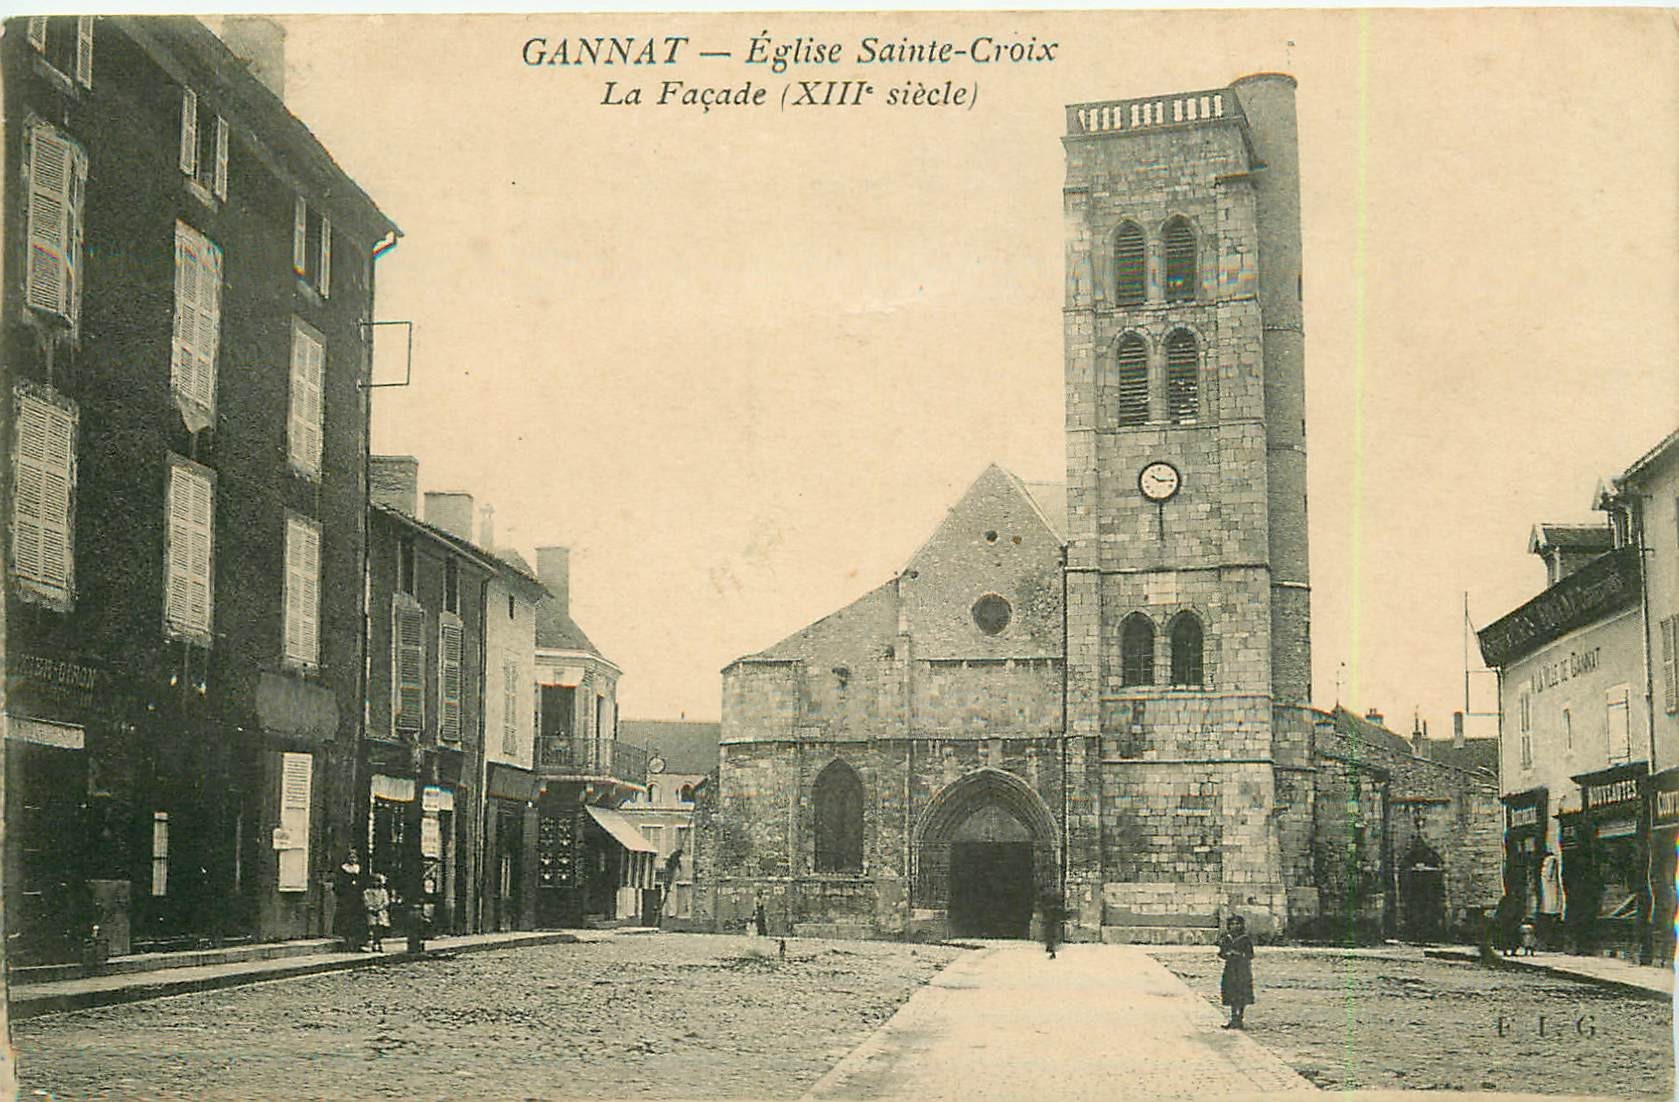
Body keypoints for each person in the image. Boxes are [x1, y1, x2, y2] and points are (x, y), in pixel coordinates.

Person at [1217, 914, 1255, 1029]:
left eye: (1237, 924)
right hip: (1230, 969)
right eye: (1232, 924)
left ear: (1241, 925)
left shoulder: (1245, 939)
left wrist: (1239, 955)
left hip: (1242, 969)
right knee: (1231, 992)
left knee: (1241, 993)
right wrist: (1226, 954)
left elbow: (1250, 954)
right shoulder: (1227, 938)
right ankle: (1233, 1018)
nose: (1235, 926)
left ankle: (1240, 1019)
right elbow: (1221, 953)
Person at [333, 850, 366, 952]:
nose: (353, 859)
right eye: (351, 857)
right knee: (346, 920)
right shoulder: (342, 870)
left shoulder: (359, 869)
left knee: (358, 921)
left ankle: (358, 944)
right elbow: (338, 885)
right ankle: (346, 943)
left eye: (354, 857)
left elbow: (363, 882)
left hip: (357, 899)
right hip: (346, 899)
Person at [363, 873, 392, 952]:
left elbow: (386, 902)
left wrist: (380, 907)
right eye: (375, 882)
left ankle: (379, 943)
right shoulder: (367, 892)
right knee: (372, 928)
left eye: (378, 882)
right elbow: (366, 902)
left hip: (381, 912)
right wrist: (371, 908)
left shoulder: (383, 892)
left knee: (379, 928)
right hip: (371, 912)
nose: (376, 884)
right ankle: (372, 944)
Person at [1039, 890, 1065, 959]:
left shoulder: (1045, 895)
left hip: (1050, 917)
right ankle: (1051, 946)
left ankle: (1050, 946)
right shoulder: (1056, 895)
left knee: (1049, 932)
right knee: (1051, 932)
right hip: (1052, 917)